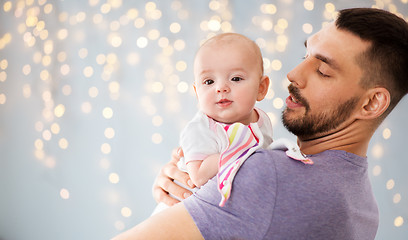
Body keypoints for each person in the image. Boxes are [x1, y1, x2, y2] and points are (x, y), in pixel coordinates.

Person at [113, 8, 408, 240]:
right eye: (304, 56)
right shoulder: (365, 208)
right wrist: (191, 194)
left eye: (321, 69)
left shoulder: (265, 175)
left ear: (372, 103)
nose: (293, 73)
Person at [152, 33, 273, 214]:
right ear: (197, 92)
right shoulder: (200, 129)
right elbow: (198, 176)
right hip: (177, 212)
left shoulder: (261, 120)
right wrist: (240, 153)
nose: (221, 88)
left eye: (236, 78)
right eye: (209, 81)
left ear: (261, 88)